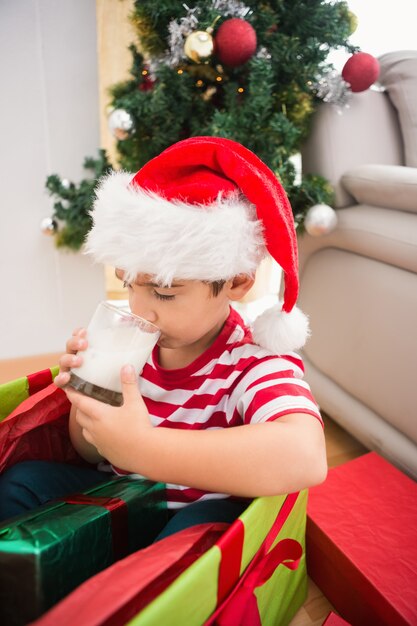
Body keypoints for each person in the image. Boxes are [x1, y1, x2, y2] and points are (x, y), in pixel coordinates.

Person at [0, 137, 327, 535]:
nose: (140, 310)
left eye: (164, 292)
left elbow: (306, 457)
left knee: (202, 529)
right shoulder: (130, 349)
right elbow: (88, 451)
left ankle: (145, 579)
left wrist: (143, 448)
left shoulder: (252, 363)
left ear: (237, 282)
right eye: (127, 284)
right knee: (24, 483)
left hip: (193, 512)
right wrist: (87, 398)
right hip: (121, 496)